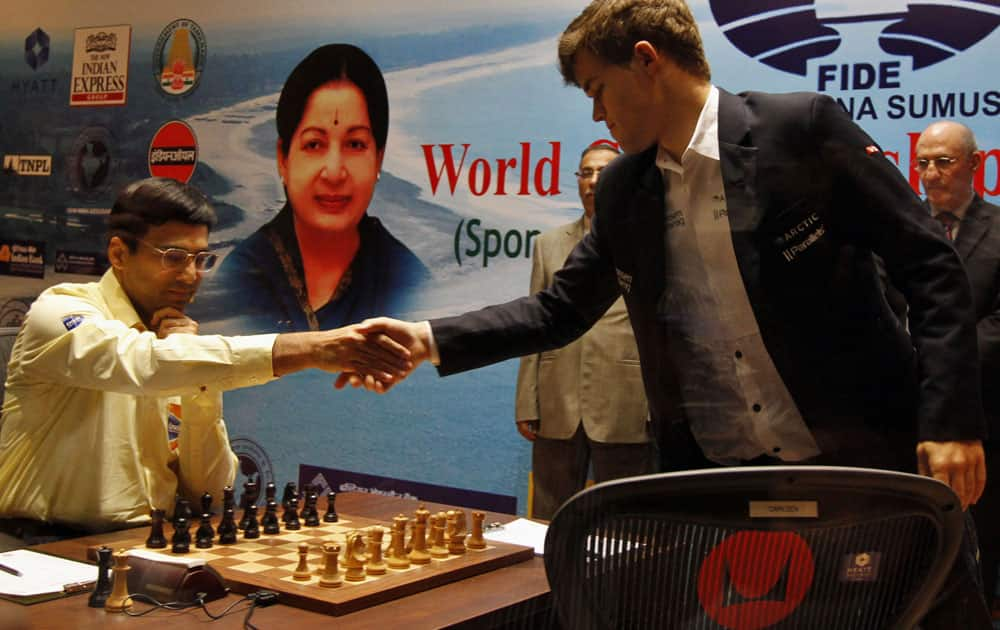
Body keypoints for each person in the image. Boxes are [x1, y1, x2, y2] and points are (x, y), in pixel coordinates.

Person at [348, 1, 990, 625]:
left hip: (858, 464)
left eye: (598, 89)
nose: (596, 113)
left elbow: (929, 267)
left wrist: (953, 423)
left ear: (647, 61)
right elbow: (560, 309)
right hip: (720, 489)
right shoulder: (627, 188)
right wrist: (426, 338)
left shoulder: (802, 129)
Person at [0, 177, 410, 544]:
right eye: (174, 257)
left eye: (201, 260)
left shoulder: (180, 347)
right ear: (120, 254)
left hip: (148, 541)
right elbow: (143, 366)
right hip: (42, 547)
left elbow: (209, 489)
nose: (192, 275)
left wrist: (200, 389)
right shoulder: (59, 313)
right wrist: (311, 349)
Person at [215, 44, 430, 333]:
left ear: (378, 158)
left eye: (355, 145)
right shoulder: (239, 278)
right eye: (314, 144)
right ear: (283, 158)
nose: (334, 172)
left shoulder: (409, 281)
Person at [515, 140, 654, 520]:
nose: (593, 181)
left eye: (604, 172)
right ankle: (543, 582)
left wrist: (657, 401)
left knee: (626, 521)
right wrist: (528, 401)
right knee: (548, 518)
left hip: (623, 401)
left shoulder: (650, 240)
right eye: (586, 172)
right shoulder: (548, 245)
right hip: (557, 400)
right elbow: (535, 324)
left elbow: (660, 329)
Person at [916, 120, 1000, 603]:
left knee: (982, 544)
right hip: (911, 418)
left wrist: (940, 355)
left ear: (975, 165)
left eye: (943, 162)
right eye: (923, 162)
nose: (931, 174)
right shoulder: (900, 232)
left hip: (985, 418)